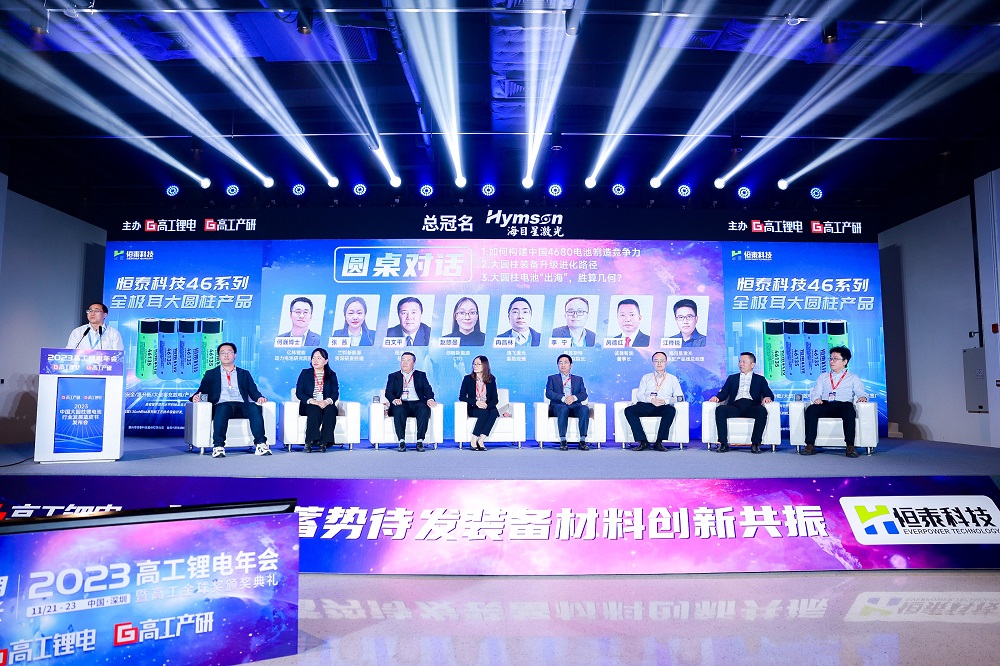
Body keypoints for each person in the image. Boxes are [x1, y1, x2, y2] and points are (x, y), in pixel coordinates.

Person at [190, 342, 270, 458]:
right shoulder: (211, 374)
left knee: (254, 407)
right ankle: (218, 446)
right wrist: (195, 397)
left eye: (229, 352)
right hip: (221, 405)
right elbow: (201, 391)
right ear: (219, 356)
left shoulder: (244, 374)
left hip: (241, 405)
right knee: (223, 407)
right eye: (223, 353)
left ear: (235, 355)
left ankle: (261, 444)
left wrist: (259, 397)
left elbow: (253, 391)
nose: (226, 355)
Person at [801, 346, 869, 458]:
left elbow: (860, 391)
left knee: (849, 410)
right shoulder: (823, 376)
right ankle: (809, 445)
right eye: (831, 358)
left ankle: (850, 446)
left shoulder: (853, 377)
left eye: (835, 359)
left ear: (845, 361)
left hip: (843, 405)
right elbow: (816, 391)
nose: (832, 361)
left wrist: (863, 397)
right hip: (825, 404)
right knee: (811, 409)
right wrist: (816, 398)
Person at [708, 351, 774, 454]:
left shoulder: (760, 379)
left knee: (762, 411)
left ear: (752, 365)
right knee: (720, 409)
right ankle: (723, 443)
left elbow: (769, 394)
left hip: (751, 406)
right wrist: (717, 398)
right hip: (735, 406)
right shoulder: (732, 378)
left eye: (744, 362)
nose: (740, 364)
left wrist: (767, 397)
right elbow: (724, 393)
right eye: (740, 362)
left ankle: (755, 444)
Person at [625, 351, 684, 451]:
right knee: (629, 410)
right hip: (647, 405)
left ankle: (659, 442)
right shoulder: (646, 377)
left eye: (662, 361)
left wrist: (665, 401)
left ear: (666, 362)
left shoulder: (672, 379)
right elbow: (639, 395)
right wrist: (651, 400)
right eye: (656, 361)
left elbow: (680, 398)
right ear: (653, 363)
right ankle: (643, 442)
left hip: (662, 406)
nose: (659, 363)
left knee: (671, 410)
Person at [384, 351, 438, 451]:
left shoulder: (421, 375)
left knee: (424, 409)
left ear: (414, 363)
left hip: (417, 402)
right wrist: (394, 399)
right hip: (401, 402)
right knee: (399, 409)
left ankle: (420, 441)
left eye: (408, 360)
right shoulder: (393, 376)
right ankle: (401, 441)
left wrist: (430, 399)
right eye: (403, 360)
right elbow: (388, 392)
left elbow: (427, 389)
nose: (404, 363)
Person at [294, 348, 340, 452]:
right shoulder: (305, 373)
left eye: (319, 358)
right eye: (313, 358)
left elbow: (335, 393)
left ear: (326, 361)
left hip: (326, 403)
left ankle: (324, 442)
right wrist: (312, 401)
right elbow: (299, 392)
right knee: (314, 410)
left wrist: (326, 401)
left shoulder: (331, 375)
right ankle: (310, 441)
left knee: (331, 410)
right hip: (309, 404)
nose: (315, 361)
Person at [544, 354, 590, 450]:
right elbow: (549, 393)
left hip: (574, 405)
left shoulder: (578, 379)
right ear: (557, 365)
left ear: (571, 365)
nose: (563, 365)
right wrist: (563, 398)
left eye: (565, 362)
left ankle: (582, 440)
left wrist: (574, 397)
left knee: (584, 409)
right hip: (558, 406)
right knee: (563, 408)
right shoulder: (552, 378)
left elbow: (584, 394)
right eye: (560, 363)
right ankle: (563, 440)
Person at [458, 355, 500, 451]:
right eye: (474, 364)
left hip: (487, 406)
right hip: (474, 407)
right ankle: (474, 439)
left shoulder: (491, 379)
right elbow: (462, 397)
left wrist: (486, 405)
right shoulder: (468, 379)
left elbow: (495, 399)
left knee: (494, 412)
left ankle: (481, 440)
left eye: (478, 364)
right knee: (484, 413)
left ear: (484, 366)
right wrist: (476, 402)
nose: (475, 366)